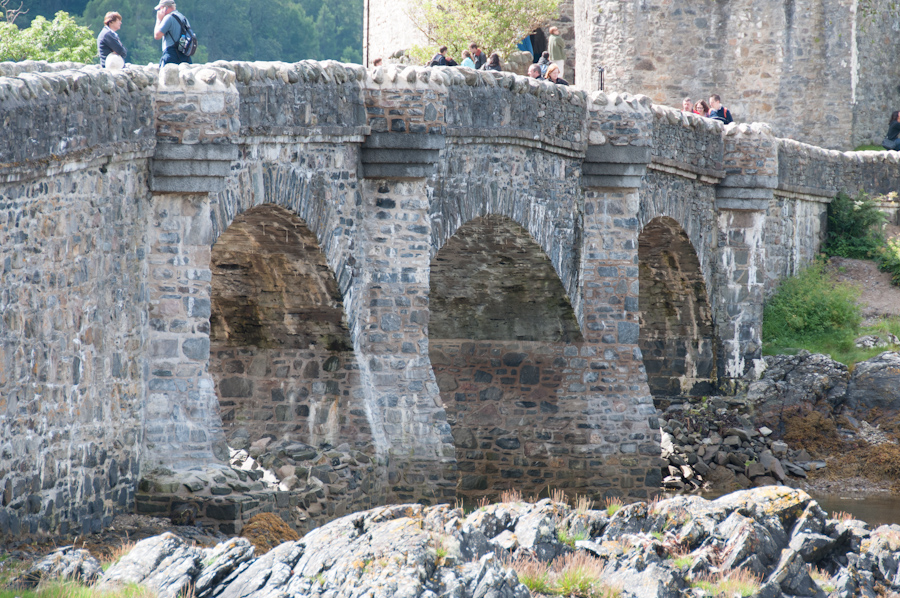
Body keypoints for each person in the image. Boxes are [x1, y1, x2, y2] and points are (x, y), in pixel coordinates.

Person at [154, 0, 192, 67]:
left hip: (171, 55)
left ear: (165, 8)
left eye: (160, 9)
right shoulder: (183, 18)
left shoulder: (168, 18)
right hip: (185, 56)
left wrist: (158, 20)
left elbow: (157, 35)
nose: (159, 11)